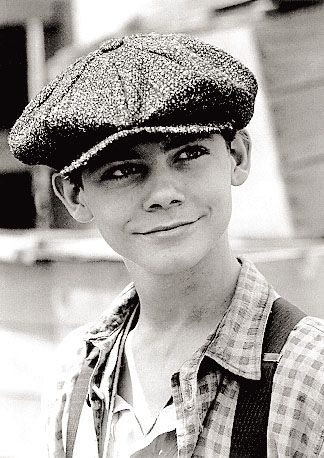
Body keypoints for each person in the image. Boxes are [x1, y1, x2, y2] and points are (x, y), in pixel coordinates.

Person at [8, 33, 324, 457]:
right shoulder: (76, 373)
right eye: (122, 170)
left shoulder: (307, 375)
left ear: (238, 155)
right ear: (74, 196)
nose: (162, 193)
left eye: (189, 154)